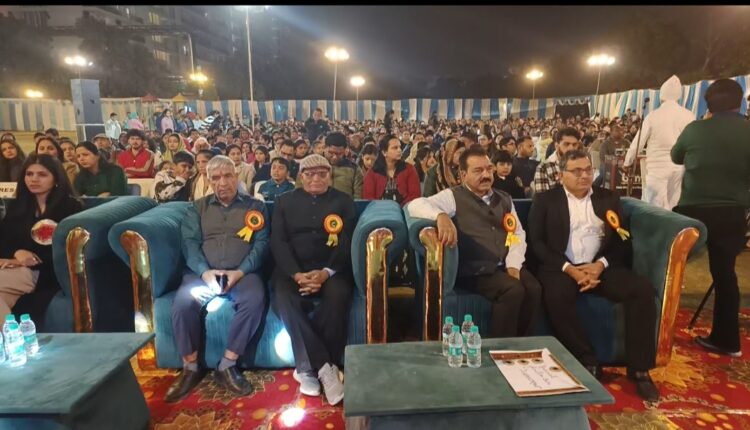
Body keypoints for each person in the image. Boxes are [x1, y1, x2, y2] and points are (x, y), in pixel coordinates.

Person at [529, 149, 659, 401]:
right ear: (561, 175)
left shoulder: (608, 198)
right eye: (576, 171)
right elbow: (538, 244)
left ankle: (640, 370)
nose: (584, 176)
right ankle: (587, 359)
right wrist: (570, 270)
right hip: (562, 268)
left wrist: (600, 265)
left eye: (588, 170)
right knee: (555, 296)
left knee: (641, 290)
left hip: (601, 267)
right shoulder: (545, 200)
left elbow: (622, 241)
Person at [407, 145, 541, 337]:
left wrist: (513, 265)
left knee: (534, 289)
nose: (486, 175)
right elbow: (415, 205)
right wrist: (440, 216)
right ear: (463, 175)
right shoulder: (453, 196)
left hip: (506, 263)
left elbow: (517, 234)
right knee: (513, 290)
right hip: (476, 270)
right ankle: (500, 347)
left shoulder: (504, 198)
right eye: (478, 171)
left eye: (489, 169)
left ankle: (523, 344)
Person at [165, 155, 269, 403]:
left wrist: (240, 271)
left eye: (228, 176)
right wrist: (205, 272)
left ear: (236, 176)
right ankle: (190, 367)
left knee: (255, 299)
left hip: (242, 274)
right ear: (208, 180)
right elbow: (189, 244)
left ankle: (227, 364)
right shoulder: (197, 208)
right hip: (203, 274)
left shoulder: (256, 207)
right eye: (216, 178)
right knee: (182, 303)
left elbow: (261, 244)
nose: (223, 182)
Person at [671, 78, 750, 358]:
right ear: (740, 103)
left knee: (672, 268)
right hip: (732, 213)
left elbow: (676, 156)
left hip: (692, 212)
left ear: (708, 105)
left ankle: (658, 329)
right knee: (725, 274)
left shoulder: (695, 129)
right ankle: (727, 341)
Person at [271, 154, 356, 406]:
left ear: (330, 176)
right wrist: (296, 274)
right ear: (300, 176)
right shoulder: (284, 201)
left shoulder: (344, 201)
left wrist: (326, 272)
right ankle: (324, 367)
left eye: (321, 174)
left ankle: (307, 367)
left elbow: (347, 241)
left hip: (332, 269)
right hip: (293, 270)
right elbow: (278, 242)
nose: (315, 179)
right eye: (309, 174)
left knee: (338, 296)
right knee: (284, 297)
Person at [0, 154, 82, 324]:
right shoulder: (17, 205)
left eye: (42, 174)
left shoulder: (71, 207)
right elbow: (4, 239)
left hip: (46, 272)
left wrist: (25, 261)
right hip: (14, 269)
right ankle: (13, 339)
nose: (34, 179)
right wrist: (17, 253)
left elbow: (66, 250)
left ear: (56, 178)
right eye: (29, 174)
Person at [623, 75, 695, 210]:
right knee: (674, 206)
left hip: (657, 167)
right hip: (679, 167)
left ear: (662, 96)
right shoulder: (689, 115)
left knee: (655, 208)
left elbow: (638, 143)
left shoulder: (653, 115)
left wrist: (628, 162)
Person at [363, 134, 421, 206]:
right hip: (379, 209)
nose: (399, 150)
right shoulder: (372, 173)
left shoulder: (409, 169)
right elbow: (368, 198)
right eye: (395, 148)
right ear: (384, 152)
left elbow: (415, 194)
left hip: (405, 208)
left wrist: (400, 207)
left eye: (400, 147)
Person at [532, 127, 582, 194]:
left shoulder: (583, 164)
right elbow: (542, 198)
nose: (571, 148)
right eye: (566, 144)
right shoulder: (543, 168)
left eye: (574, 144)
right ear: (557, 146)